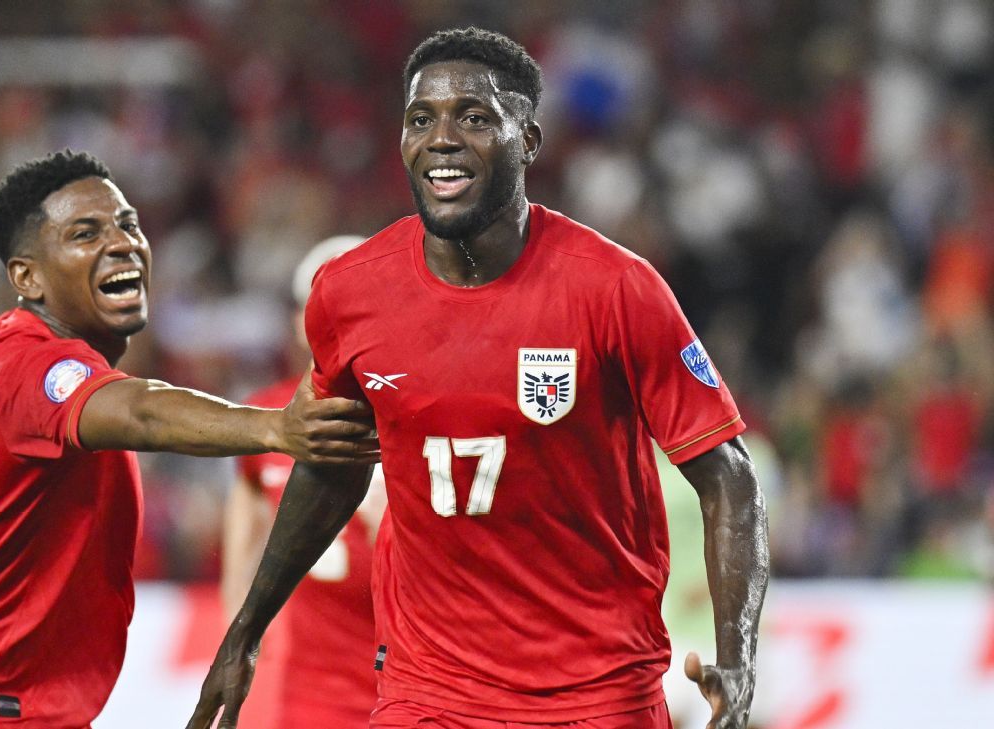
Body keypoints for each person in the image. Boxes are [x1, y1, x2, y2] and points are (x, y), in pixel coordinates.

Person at [188, 27, 769, 729]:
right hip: (428, 689)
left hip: (596, 688)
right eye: (420, 119)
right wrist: (246, 632)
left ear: (528, 141)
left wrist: (738, 657)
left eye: (473, 117)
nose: (441, 138)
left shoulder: (616, 288)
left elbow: (728, 475)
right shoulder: (350, 293)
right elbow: (331, 466)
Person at [0, 150, 379, 729]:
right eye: (85, 234)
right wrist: (274, 428)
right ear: (27, 277)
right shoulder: (32, 365)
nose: (122, 244)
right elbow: (140, 412)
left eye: (127, 224)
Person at [221, 236, 387, 729]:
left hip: (414, 687)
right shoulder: (266, 420)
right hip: (314, 697)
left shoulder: (426, 417)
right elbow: (241, 559)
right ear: (300, 320)